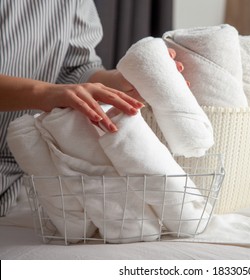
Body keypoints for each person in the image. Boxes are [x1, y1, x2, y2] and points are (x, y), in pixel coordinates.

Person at [0, 0, 183, 216]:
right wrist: (44, 93)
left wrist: (125, 81)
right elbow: (58, 89)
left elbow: (76, 68)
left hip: (24, 182)